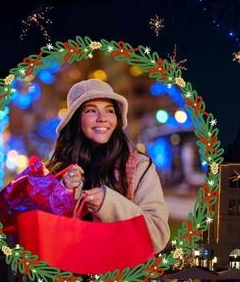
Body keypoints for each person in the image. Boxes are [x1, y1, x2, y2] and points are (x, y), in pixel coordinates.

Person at [47, 78, 169, 253]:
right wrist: (64, 192)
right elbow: (47, 235)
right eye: (91, 110)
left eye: (109, 111)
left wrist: (108, 203)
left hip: (119, 276)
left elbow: (157, 236)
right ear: (76, 120)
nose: (102, 118)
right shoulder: (58, 170)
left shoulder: (139, 166)